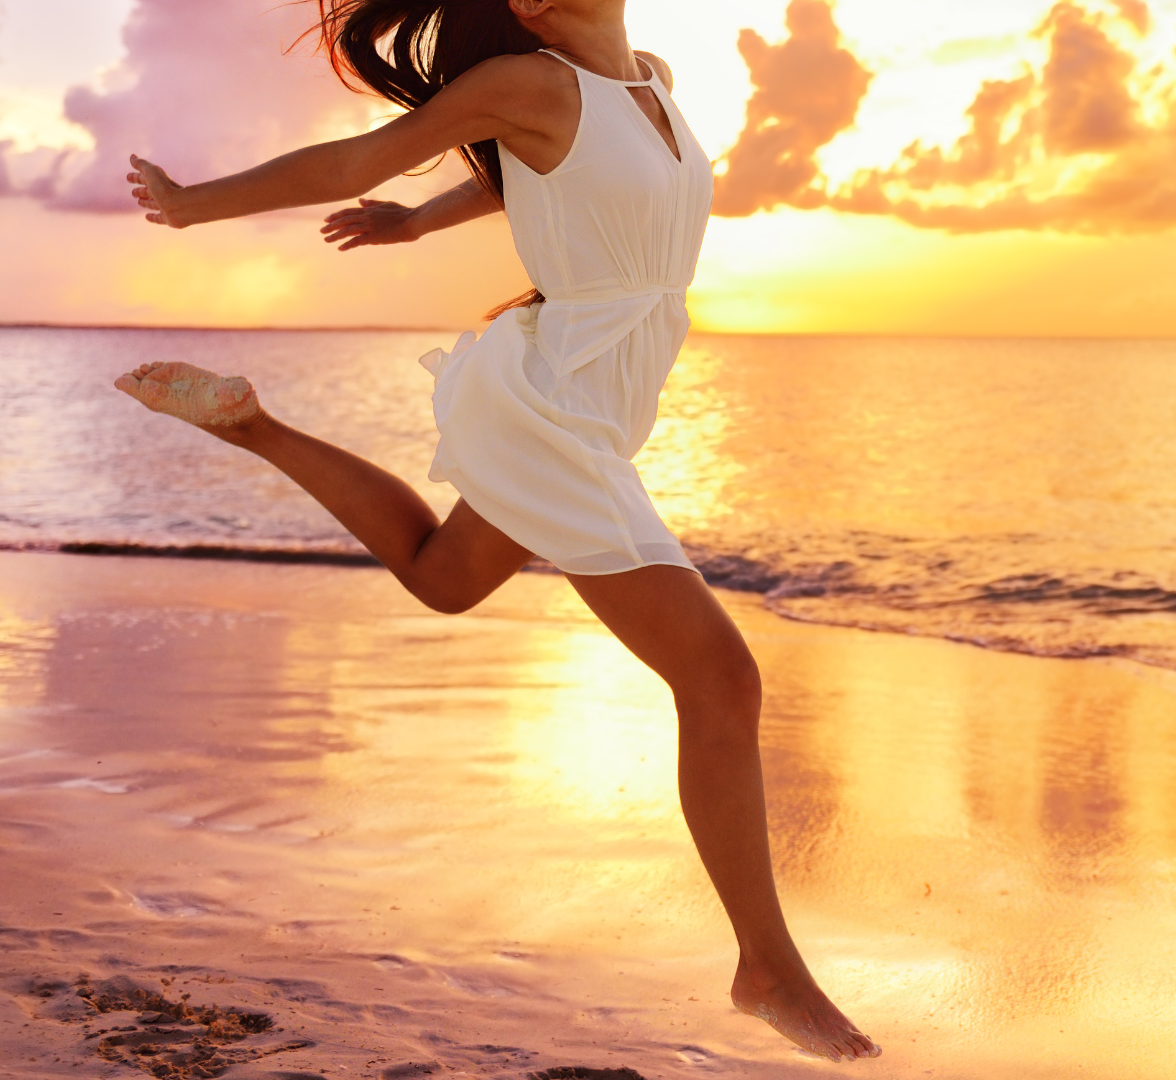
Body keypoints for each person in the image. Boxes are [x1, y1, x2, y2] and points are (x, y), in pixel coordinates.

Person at [112, 0, 879, 1062]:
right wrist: (194, 205)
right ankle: (770, 970)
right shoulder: (525, 81)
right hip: (558, 395)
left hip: (605, 391)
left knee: (444, 575)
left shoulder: (646, 75)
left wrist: (418, 223)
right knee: (721, 680)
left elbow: (535, 173)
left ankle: (254, 427)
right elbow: (355, 161)